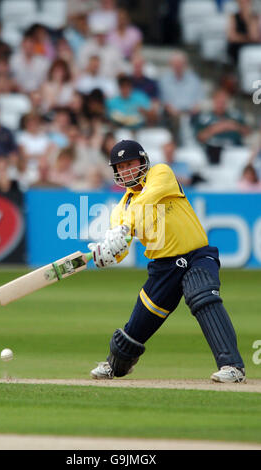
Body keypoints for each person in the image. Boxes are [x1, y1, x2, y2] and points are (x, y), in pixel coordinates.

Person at [88, 139, 246, 384]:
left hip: (196, 256)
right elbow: (119, 251)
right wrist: (106, 253)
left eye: (130, 163)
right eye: (120, 167)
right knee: (135, 330)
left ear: (142, 162)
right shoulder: (119, 209)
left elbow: (148, 199)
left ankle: (232, 366)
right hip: (163, 269)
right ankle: (116, 364)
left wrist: (124, 227)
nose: (126, 170)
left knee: (202, 296)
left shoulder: (161, 173)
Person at [195, 88, 251, 164]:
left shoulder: (235, 116)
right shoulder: (205, 117)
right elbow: (200, 137)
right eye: (219, 102)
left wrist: (235, 126)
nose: (221, 105)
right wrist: (217, 128)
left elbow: (248, 132)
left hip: (233, 150)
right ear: (213, 101)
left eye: (223, 102)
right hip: (212, 150)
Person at [227, 0, 260, 65]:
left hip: (250, 45)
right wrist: (246, 38)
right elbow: (232, 37)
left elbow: (253, 36)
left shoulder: (254, 17)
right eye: (242, 3)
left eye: (246, 3)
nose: (244, 5)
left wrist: (248, 17)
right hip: (237, 46)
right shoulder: (233, 16)